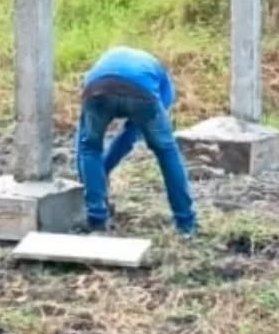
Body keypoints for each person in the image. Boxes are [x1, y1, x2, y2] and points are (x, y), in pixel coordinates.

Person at [77, 45, 197, 236]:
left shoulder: (99, 68)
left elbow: (85, 146)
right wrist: (104, 170)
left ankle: (96, 218)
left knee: (89, 147)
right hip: (141, 93)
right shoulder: (160, 77)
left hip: (98, 89)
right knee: (166, 151)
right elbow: (132, 134)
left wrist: (99, 173)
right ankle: (186, 224)